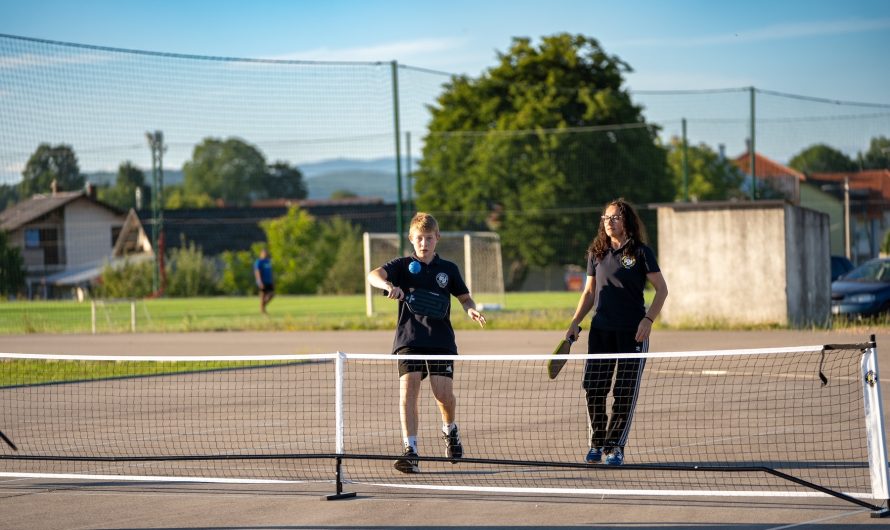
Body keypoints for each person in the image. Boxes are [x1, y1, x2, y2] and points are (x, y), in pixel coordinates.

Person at [367, 212, 486, 473]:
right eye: (419, 238)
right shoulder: (401, 265)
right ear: (411, 239)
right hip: (409, 338)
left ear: (437, 239)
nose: (424, 243)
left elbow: (465, 298)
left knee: (442, 395)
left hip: (441, 341)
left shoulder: (448, 270)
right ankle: (411, 451)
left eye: (429, 238)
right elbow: (372, 275)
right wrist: (388, 286)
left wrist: (470, 309)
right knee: (408, 393)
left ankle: (450, 430)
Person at [567, 198, 668, 466]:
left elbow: (662, 289)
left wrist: (648, 320)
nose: (608, 222)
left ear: (626, 221)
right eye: (605, 218)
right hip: (600, 331)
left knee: (624, 391)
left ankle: (615, 447)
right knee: (594, 389)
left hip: (632, 333)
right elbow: (589, 293)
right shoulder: (596, 253)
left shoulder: (641, 252)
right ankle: (597, 443)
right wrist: (575, 321)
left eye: (613, 218)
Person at [254, 248, 275, 314]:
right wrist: (259, 281)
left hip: (269, 281)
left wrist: (273, 280)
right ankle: (262, 309)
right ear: (261, 254)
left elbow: (270, 271)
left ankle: (262, 306)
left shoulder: (268, 261)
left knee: (271, 294)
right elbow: (257, 272)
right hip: (262, 281)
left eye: (266, 253)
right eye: (264, 253)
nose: (265, 254)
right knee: (263, 295)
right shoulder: (259, 262)